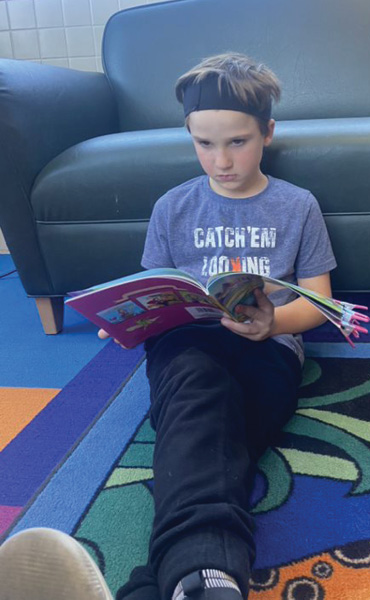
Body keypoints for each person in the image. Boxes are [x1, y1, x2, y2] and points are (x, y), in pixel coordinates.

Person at [0, 53, 336, 600]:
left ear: (267, 133)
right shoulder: (172, 207)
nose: (221, 160)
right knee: (200, 397)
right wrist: (128, 318)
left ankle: (166, 583)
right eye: (205, 143)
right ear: (188, 135)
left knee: (206, 433)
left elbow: (319, 304)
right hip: (187, 343)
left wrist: (273, 323)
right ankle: (209, 578)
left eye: (237, 142)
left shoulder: (297, 206)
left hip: (269, 348)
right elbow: (152, 287)